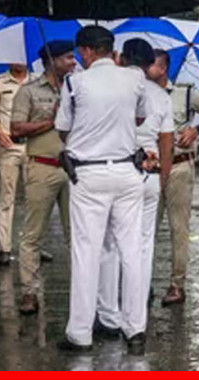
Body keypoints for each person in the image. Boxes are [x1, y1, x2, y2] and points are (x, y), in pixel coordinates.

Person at [54, 26, 148, 354]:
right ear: (111, 49)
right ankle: (135, 329)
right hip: (127, 171)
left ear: (89, 51)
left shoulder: (73, 83)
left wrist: (89, 136)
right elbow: (139, 118)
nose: (79, 58)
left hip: (88, 175)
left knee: (86, 252)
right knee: (131, 251)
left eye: (81, 52)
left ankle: (80, 334)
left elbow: (63, 129)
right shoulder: (135, 78)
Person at [9, 41, 77, 315]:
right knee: (32, 234)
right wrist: (51, 121)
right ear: (52, 60)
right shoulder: (28, 92)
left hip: (74, 168)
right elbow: (15, 129)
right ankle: (29, 292)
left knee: (78, 235)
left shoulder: (77, 88)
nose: (74, 62)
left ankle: (83, 293)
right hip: (41, 167)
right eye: (68, 58)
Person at [118, 39, 173, 318]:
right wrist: (163, 176)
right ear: (149, 64)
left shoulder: (115, 89)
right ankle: (137, 303)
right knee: (144, 240)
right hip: (150, 171)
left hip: (119, 169)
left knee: (115, 241)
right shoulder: (161, 95)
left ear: (122, 58)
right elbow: (167, 139)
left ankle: (114, 305)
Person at [157, 56, 199, 307]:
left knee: (178, 228)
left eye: (151, 64)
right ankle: (139, 286)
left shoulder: (185, 93)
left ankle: (177, 284)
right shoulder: (138, 93)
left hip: (179, 165)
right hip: (148, 168)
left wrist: (197, 130)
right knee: (142, 230)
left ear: (163, 67)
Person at [0, 63, 30, 266]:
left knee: (36, 199)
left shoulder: (38, 81)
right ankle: (4, 248)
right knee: (7, 198)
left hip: (33, 145)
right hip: (9, 146)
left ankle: (33, 244)